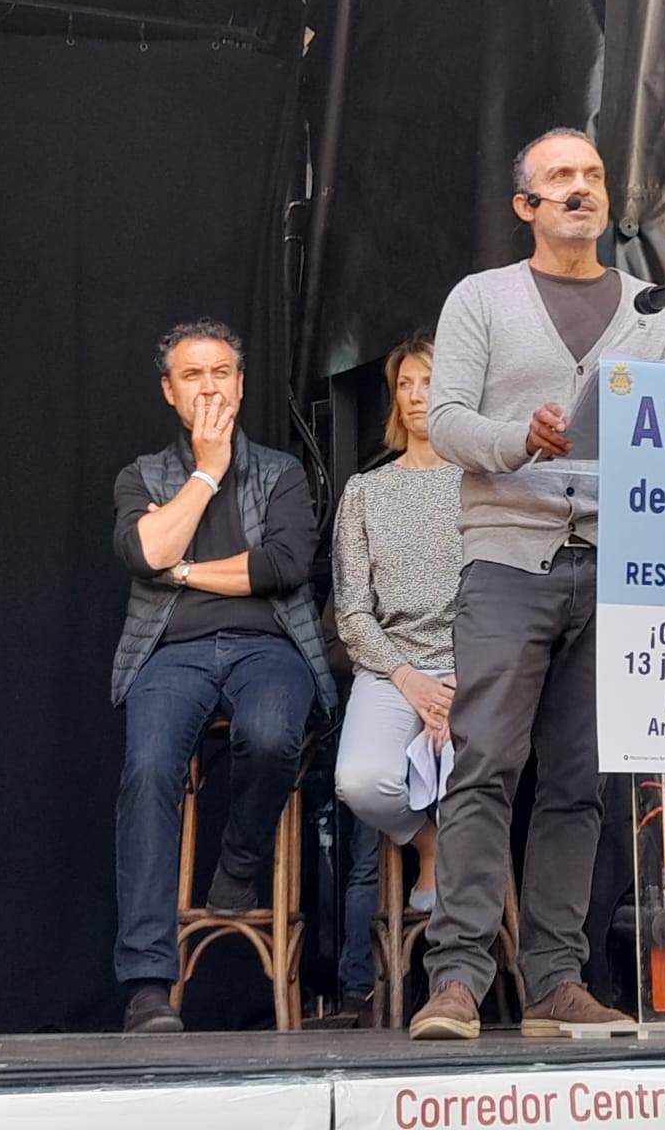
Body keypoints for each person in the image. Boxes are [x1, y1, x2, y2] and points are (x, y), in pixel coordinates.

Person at [410, 128, 665, 1039]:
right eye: (560, 177)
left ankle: (555, 980)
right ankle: (454, 978)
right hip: (507, 557)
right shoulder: (481, 298)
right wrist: (517, 440)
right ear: (526, 205)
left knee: (578, 783)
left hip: (613, 563)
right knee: (485, 764)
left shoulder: (651, 306)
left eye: (594, 176)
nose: (581, 189)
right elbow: (446, 420)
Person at [109, 318, 337, 1034]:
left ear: (240, 384)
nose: (209, 386)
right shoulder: (142, 475)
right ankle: (148, 983)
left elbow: (282, 568)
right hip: (170, 655)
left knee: (272, 737)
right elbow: (146, 552)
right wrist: (205, 472)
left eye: (220, 373)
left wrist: (182, 570)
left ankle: (239, 864)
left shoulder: (282, 472)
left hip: (267, 648)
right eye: (192, 375)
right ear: (170, 393)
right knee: (147, 769)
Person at [331, 336, 464, 1014]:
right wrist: (409, 679)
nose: (416, 395)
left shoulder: (482, 483)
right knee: (359, 779)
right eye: (406, 383)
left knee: (491, 780)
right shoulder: (366, 492)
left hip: (473, 667)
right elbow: (352, 612)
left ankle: (467, 976)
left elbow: (500, 597)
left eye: (430, 380)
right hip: (390, 666)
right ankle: (430, 847)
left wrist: (457, 686)